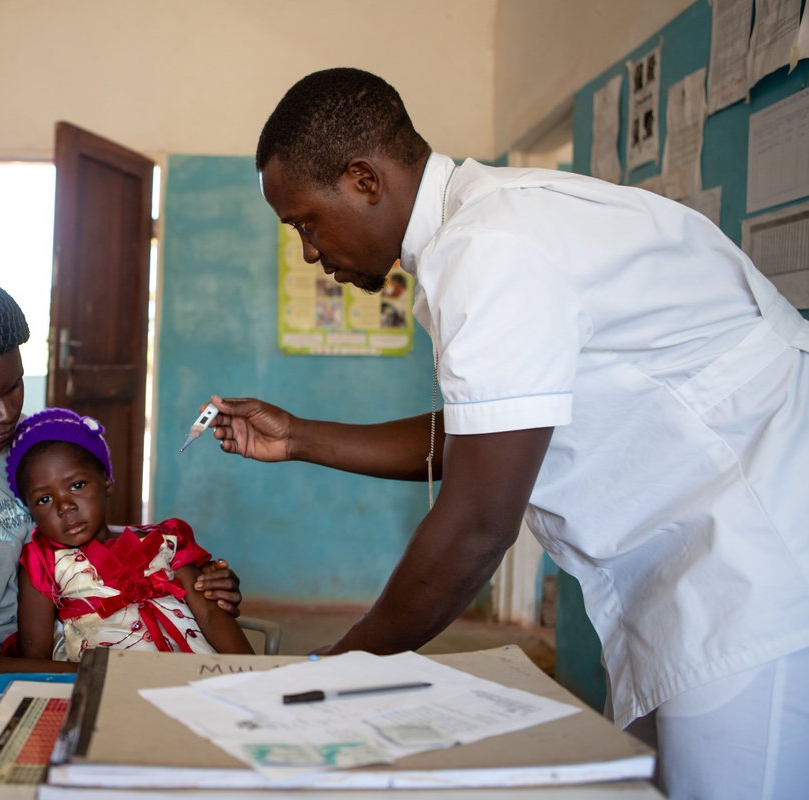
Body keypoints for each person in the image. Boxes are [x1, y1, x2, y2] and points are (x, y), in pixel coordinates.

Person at [209, 67, 809, 799]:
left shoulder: (490, 247)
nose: (308, 250)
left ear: (364, 180)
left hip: (759, 573)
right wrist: (299, 436)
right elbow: (486, 433)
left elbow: (476, 523)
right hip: (703, 571)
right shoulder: (485, 227)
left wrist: (336, 667)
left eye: (305, 221)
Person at [0, 276, 242, 674]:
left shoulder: (33, 447)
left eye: (13, 387)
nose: (5, 414)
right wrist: (75, 676)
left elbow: (87, 543)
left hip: (80, 646)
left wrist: (189, 577)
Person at [6, 408, 254, 661]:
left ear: (106, 481)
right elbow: (35, 657)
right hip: (105, 686)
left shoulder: (164, 539)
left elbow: (211, 615)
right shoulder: (43, 559)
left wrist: (258, 677)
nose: (64, 506)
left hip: (191, 675)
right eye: (44, 499)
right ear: (29, 509)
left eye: (77, 485)